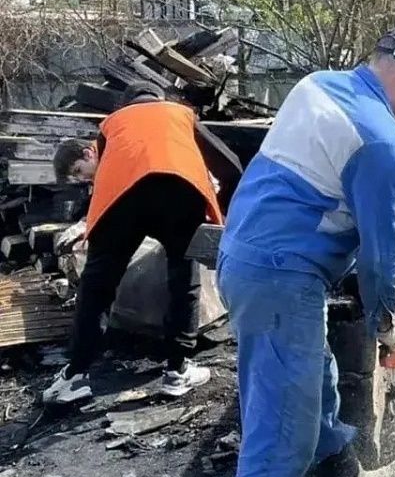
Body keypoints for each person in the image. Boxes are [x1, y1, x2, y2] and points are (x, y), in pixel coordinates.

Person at [216, 26, 395, 477]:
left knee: (315, 382)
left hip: (249, 251)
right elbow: (378, 258)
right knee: (283, 428)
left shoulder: (319, 85)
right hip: (280, 277)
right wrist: (387, 320)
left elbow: (322, 183)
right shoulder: (382, 140)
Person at [42, 83, 244, 405]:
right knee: (184, 279)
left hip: (121, 199)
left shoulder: (112, 124)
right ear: (158, 99)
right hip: (179, 194)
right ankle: (177, 369)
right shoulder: (180, 114)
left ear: (125, 105)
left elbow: (108, 175)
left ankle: (75, 376)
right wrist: (225, 207)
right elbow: (230, 165)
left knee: (97, 287)